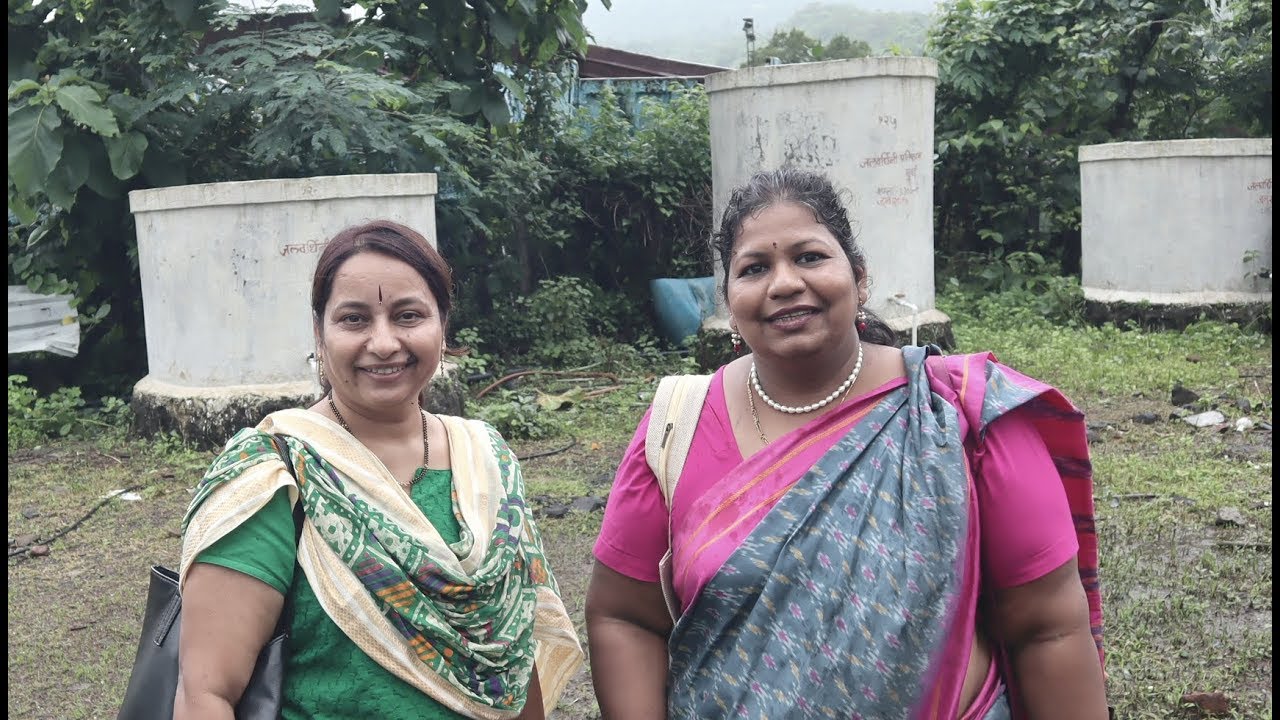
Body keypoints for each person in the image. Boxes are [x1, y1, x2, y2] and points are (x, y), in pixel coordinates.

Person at [585, 168, 1108, 719]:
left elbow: (1048, 627)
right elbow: (625, 617)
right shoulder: (678, 425)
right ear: (730, 301)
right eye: (755, 268)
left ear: (859, 279)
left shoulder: (956, 413)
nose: (784, 282)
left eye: (809, 257)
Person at [175, 220, 583, 719]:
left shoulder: (487, 461)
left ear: (442, 325)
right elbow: (206, 694)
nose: (385, 342)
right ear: (319, 334)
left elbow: (516, 663)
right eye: (354, 319)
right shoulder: (277, 472)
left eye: (408, 315)